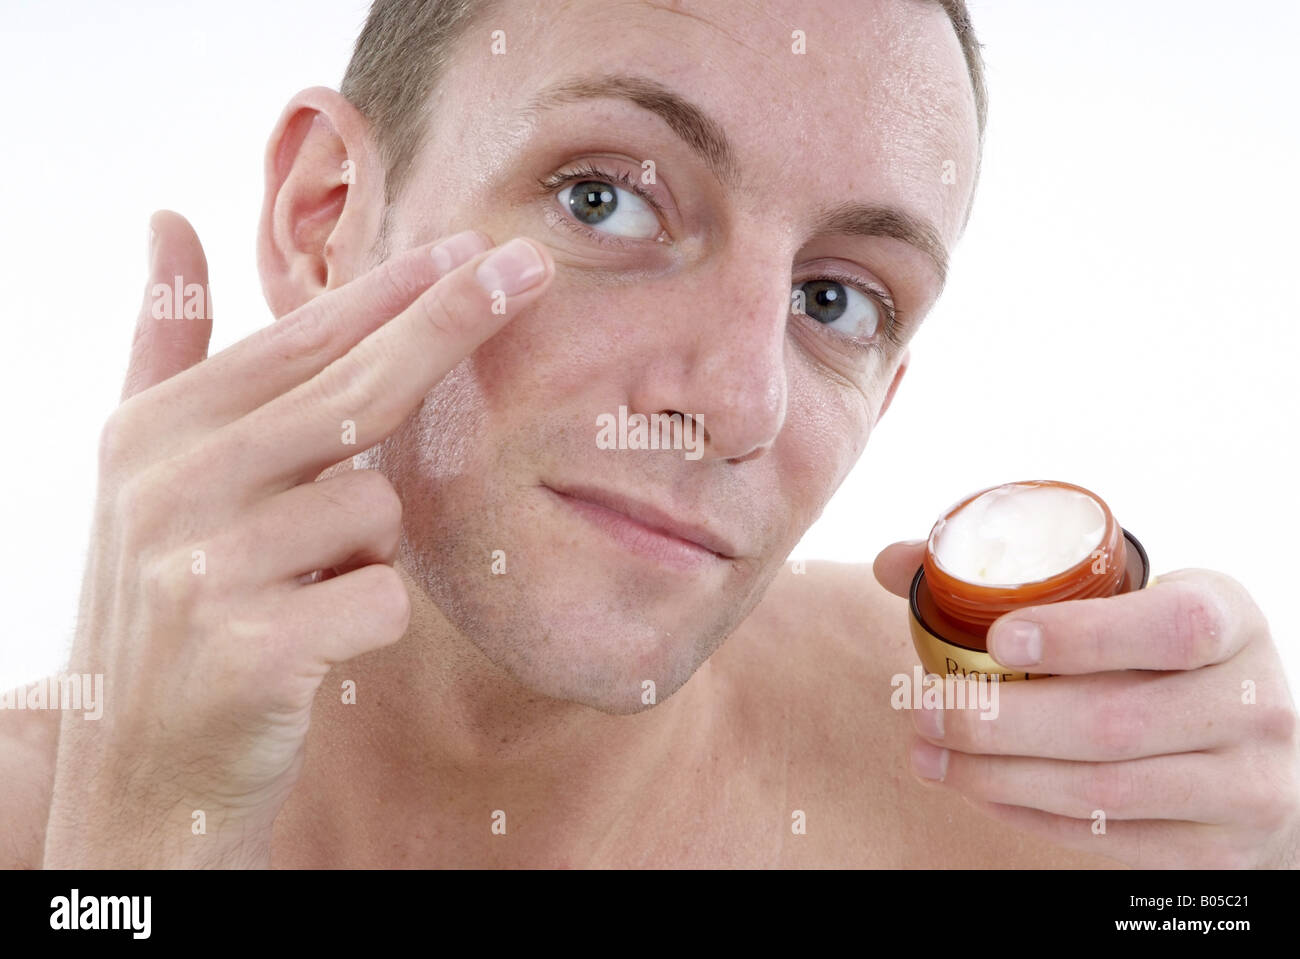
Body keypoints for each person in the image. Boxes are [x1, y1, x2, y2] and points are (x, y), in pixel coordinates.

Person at [4, 0, 1297, 869]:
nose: (736, 403)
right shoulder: (49, 828)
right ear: (324, 216)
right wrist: (136, 853)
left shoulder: (999, 787)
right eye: (603, 199)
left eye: (833, 300)